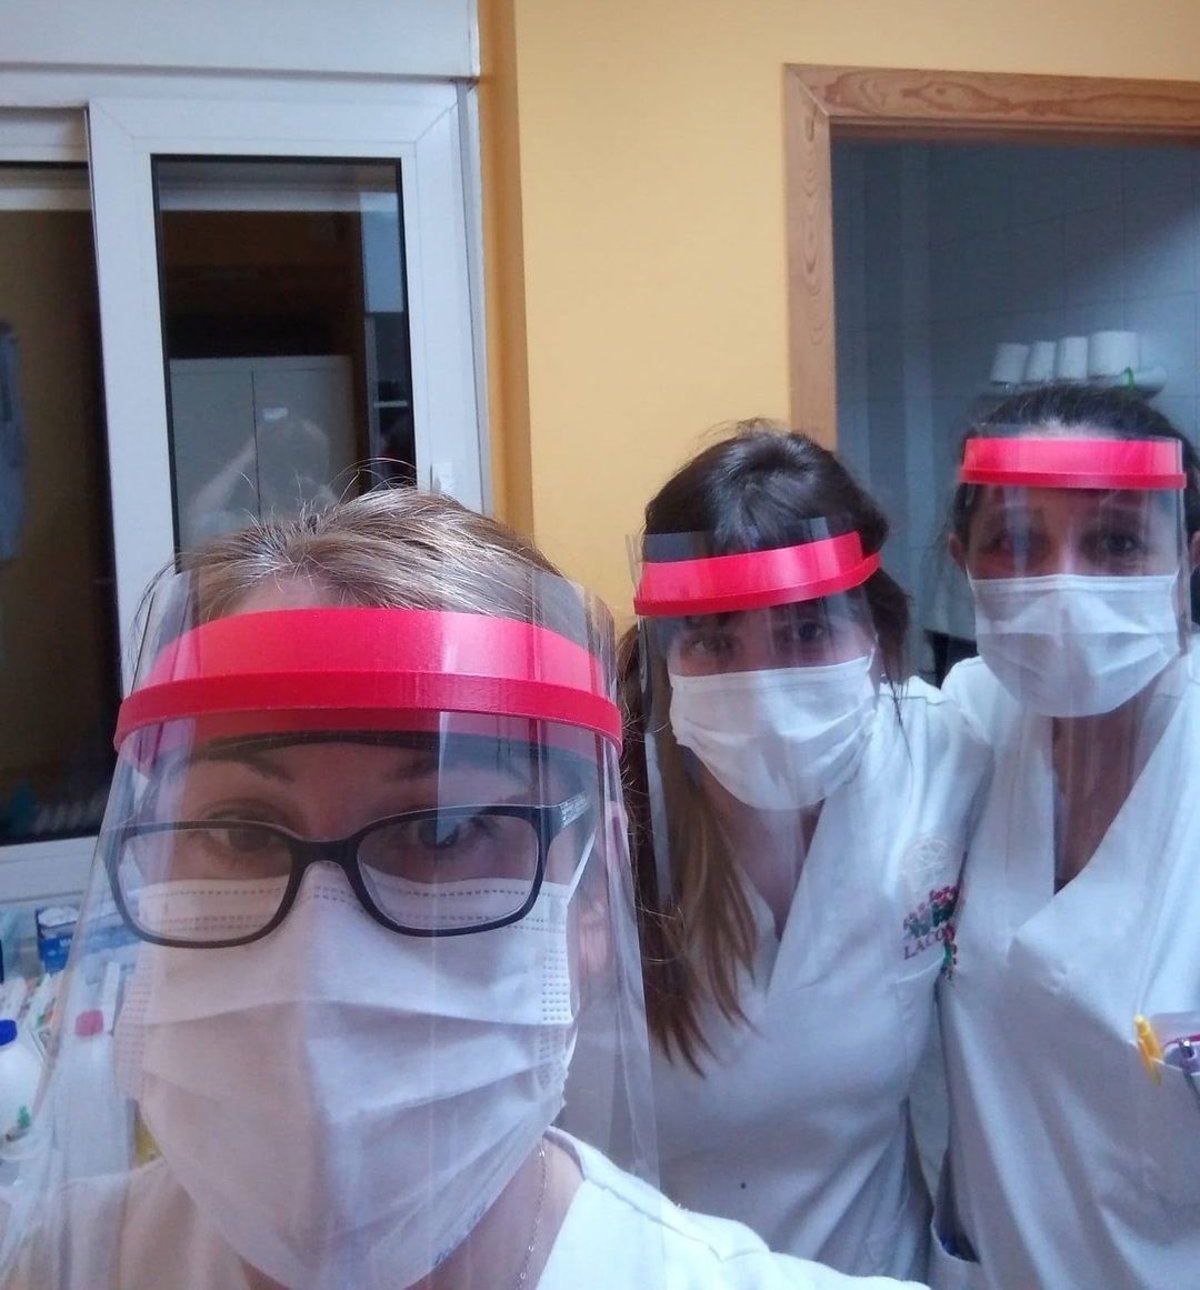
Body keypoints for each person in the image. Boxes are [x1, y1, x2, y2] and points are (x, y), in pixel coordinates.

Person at [0, 487, 929, 1290]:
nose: (321, 959)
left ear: (592, 894)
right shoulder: (51, 1265)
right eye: (242, 831)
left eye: (440, 831)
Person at [620, 424, 990, 1281]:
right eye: (716, 641)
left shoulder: (943, 761)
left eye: (807, 631)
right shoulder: (606, 824)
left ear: (879, 639)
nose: (766, 688)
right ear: (667, 660)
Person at [932, 384, 1200, 1290]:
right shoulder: (966, 724)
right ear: (963, 562)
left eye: (1116, 543)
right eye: (1015, 543)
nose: (1063, 584)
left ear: (1186, 562)